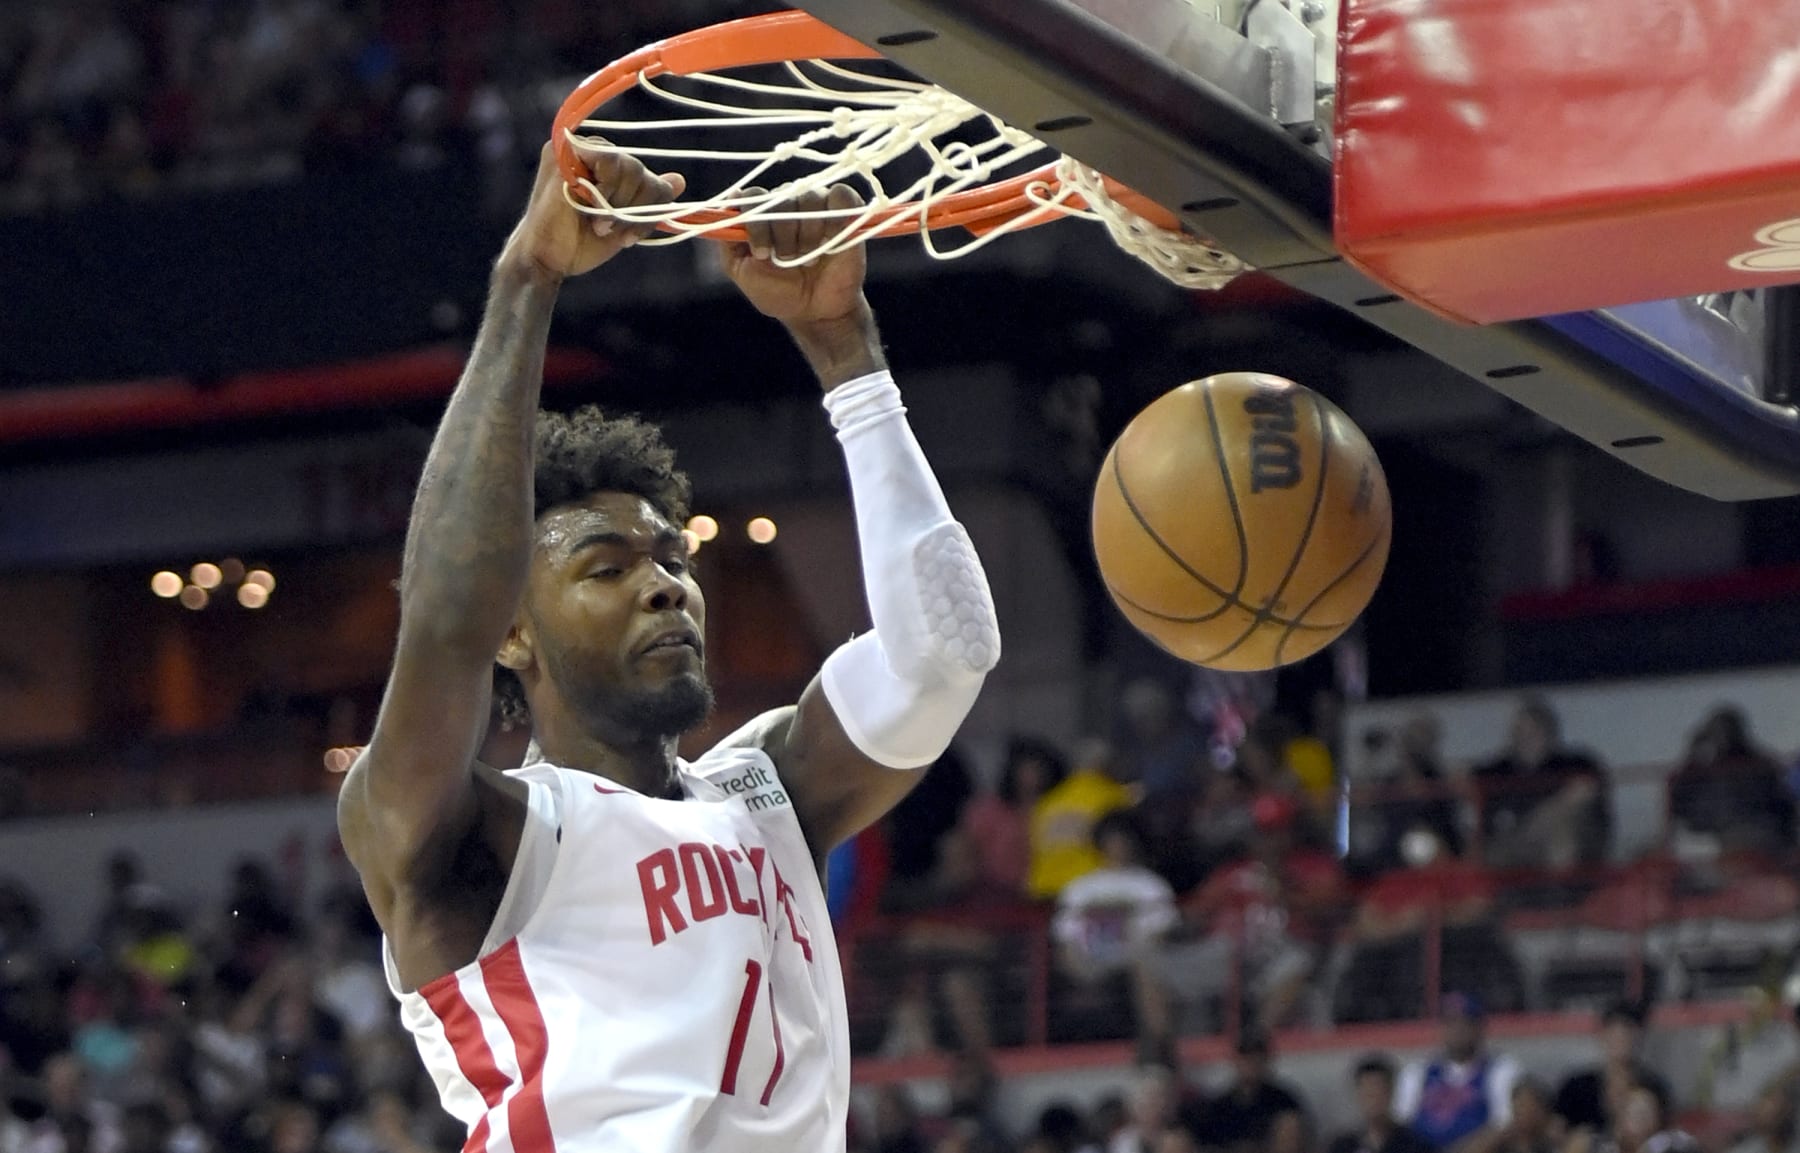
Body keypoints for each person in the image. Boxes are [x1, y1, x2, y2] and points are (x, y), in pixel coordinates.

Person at [335, 145, 1000, 1150]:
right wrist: (529, 277)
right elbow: (443, 617)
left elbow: (942, 652)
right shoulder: (477, 833)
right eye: (605, 567)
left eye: (671, 556)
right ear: (515, 629)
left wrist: (844, 352)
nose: (662, 582)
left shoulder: (768, 789)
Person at [1472, 698, 1609, 870]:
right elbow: (1461, 783)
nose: (1526, 738)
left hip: (1563, 849)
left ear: (1550, 733)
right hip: (1507, 848)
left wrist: (1555, 812)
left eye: (1534, 731)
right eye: (1519, 732)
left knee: (1562, 837)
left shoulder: (1575, 764)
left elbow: (1588, 790)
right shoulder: (1497, 769)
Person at [1396, 994, 1523, 1151]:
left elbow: (1505, 1127)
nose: (1457, 1030)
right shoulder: (1417, 1072)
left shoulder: (1501, 1070)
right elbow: (1401, 1124)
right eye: (1450, 1023)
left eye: (1465, 1022)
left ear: (1479, 1027)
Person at [1667, 706, 1795, 859]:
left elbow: (1785, 804)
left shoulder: (1760, 764)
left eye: (1726, 731)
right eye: (1718, 732)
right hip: (1723, 842)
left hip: (1764, 839)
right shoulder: (1707, 771)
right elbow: (1681, 803)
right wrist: (1692, 756)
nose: (1723, 737)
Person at [1555, 1001, 1669, 1140]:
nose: (1621, 1038)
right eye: (1614, 1031)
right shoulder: (1576, 1088)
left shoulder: (1654, 1087)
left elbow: (1664, 1137)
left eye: (1628, 1031)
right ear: (1602, 1035)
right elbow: (1556, 1132)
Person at [1186, 1031, 1307, 1153]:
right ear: (1235, 1060)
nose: (1250, 1064)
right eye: (1245, 1058)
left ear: (1267, 1060)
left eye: (1256, 1057)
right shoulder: (1218, 1108)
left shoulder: (1284, 1102)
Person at [1327, 1056, 1434, 1153]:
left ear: (1391, 1092)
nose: (1373, 1101)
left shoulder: (1415, 1145)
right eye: (1368, 1093)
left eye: (1379, 1092)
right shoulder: (1343, 1146)